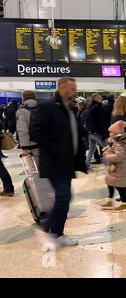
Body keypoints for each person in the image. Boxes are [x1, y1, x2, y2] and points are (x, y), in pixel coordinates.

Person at [30, 77, 87, 247]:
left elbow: (74, 133)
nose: (74, 91)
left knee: (65, 196)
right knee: (63, 196)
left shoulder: (69, 109)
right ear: (62, 88)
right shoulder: (47, 107)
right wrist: (55, 149)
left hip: (67, 162)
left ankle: (55, 232)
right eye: (72, 88)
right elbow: (35, 132)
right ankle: (49, 231)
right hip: (55, 161)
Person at [101, 120, 126, 213]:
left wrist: (108, 157)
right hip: (117, 168)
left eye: (111, 132)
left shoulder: (120, 142)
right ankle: (109, 201)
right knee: (110, 182)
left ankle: (124, 204)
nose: (109, 133)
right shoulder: (117, 141)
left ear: (116, 133)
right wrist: (110, 150)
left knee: (120, 187)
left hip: (120, 168)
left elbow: (119, 156)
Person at [84, 93, 108, 171]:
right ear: (96, 99)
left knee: (91, 149)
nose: (101, 99)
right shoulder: (98, 108)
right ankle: (109, 165)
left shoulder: (90, 107)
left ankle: (87, 165)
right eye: (100, 98)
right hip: (97, 133)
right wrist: (103, 134)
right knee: (107, 148)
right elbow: (101, 122)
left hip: (90, 132)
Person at [16, 91, 39, 165]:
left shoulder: (21, 111)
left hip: (31, 145)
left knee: (33, 171)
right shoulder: (44, 108)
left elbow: (23, 130)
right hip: (45, 144)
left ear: (23, 98)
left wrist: (24, 148)